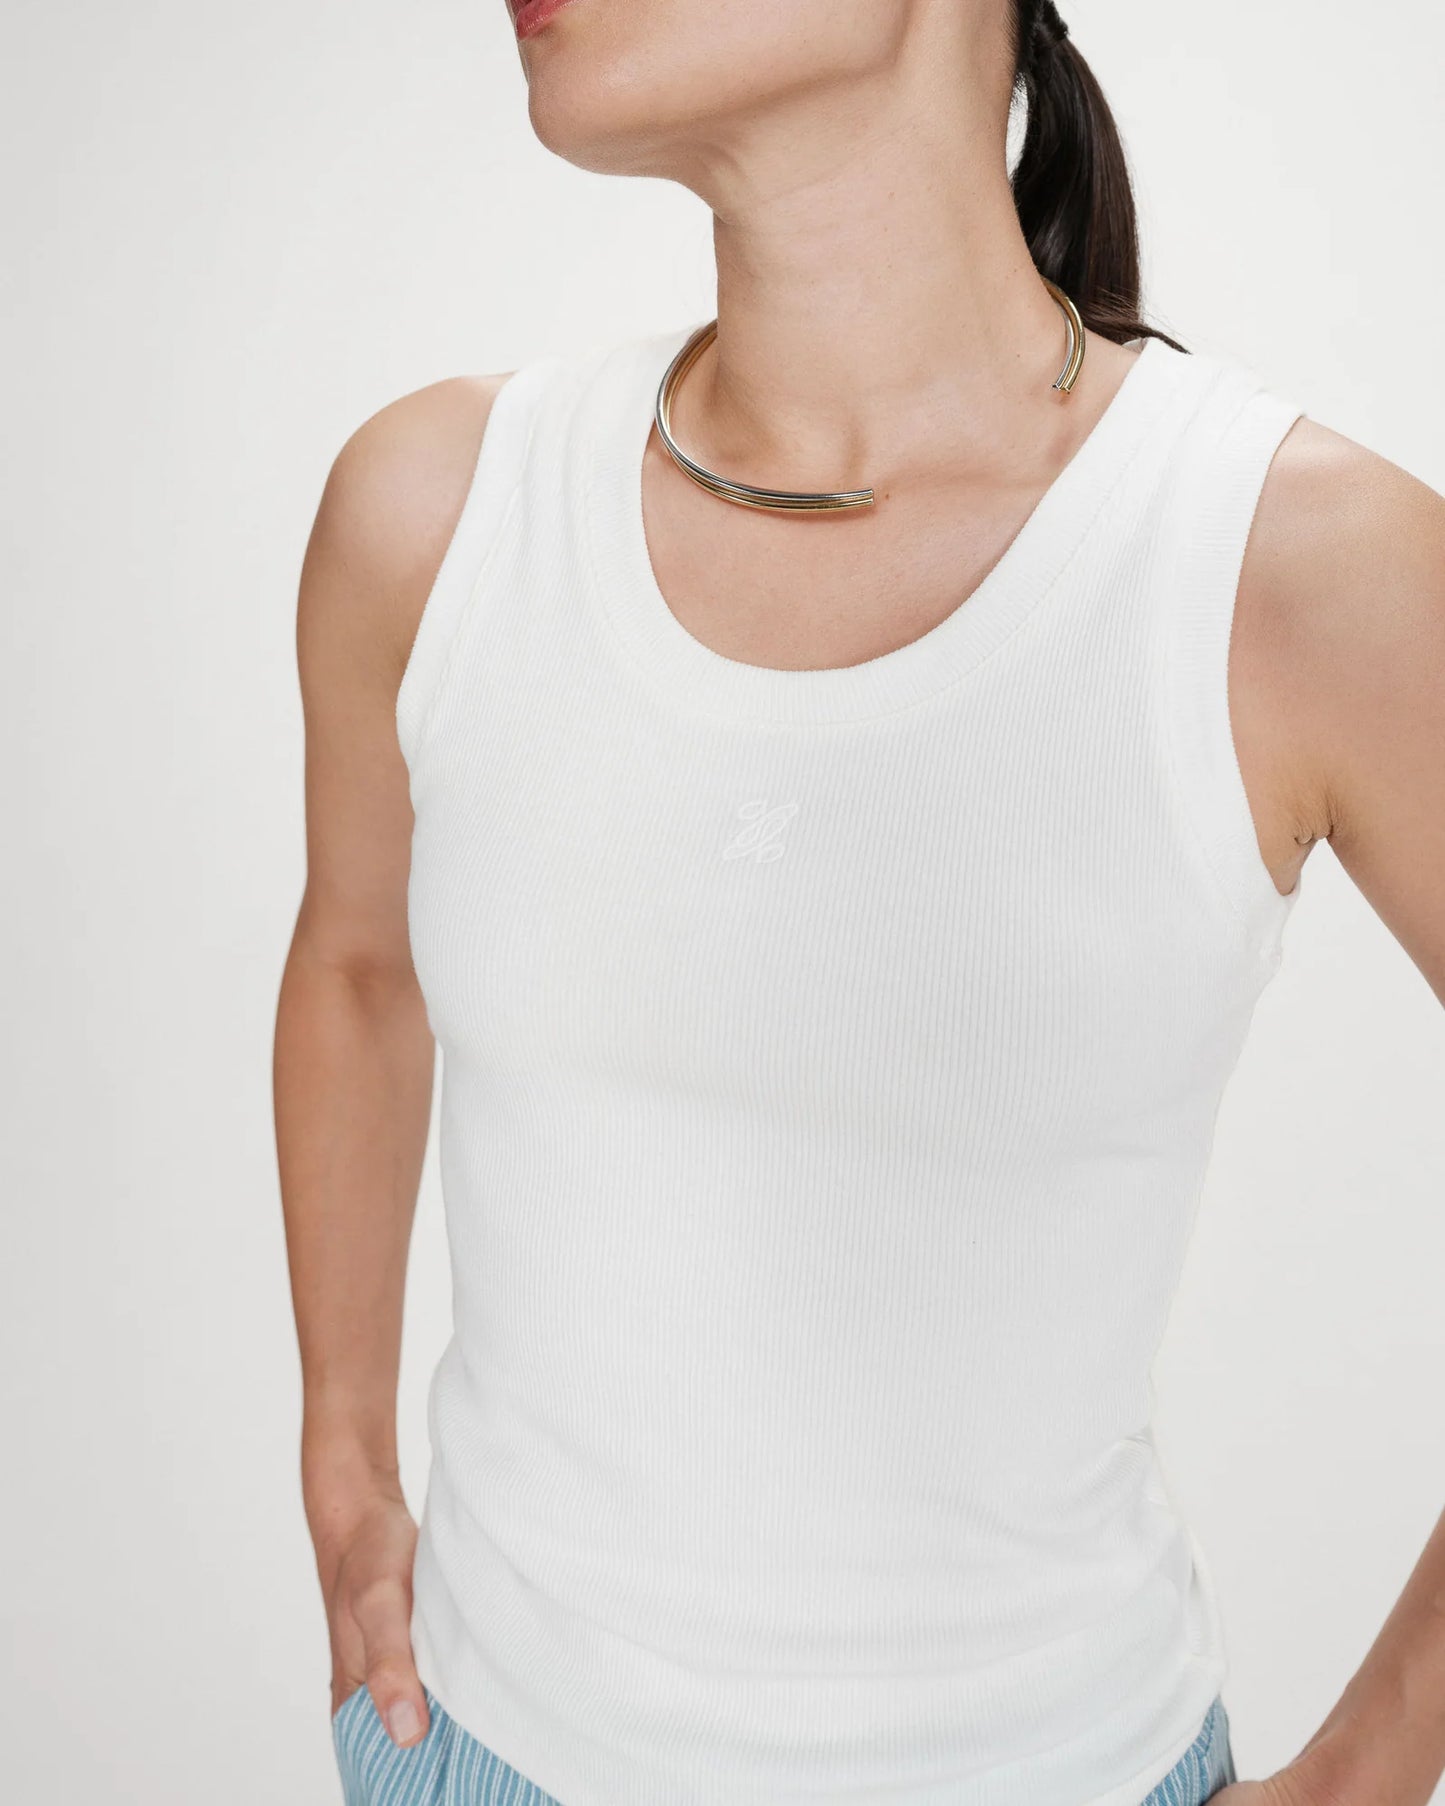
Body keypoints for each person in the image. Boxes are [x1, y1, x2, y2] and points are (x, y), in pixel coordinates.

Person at [272, 2, 1445, 1803]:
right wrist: (343, 1453)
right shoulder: (436, 511)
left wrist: (1367, 1771)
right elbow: (359, 962)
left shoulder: (1293, 569)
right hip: (470, 1744)